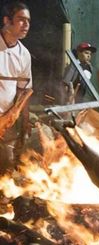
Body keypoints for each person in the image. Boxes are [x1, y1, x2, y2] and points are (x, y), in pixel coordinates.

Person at [0, 1, 32, 171]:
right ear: (6, 21)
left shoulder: (24, 55)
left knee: (6, 167)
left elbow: (24, 90)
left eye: (28, 21)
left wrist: (25, 123)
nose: (26, 24)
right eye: (21, 19)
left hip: (7, 121)